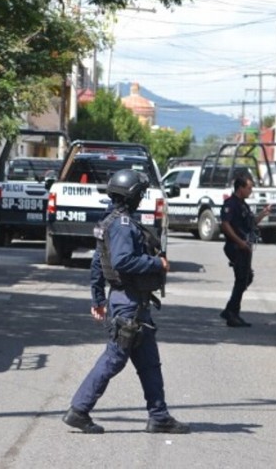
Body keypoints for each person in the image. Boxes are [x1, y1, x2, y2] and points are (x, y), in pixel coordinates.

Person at [62, 168, 190, 435]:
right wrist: (158, 262)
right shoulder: (121, 226)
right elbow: (121, 261)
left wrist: (97, 298)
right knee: (114, 358)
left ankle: (159, 416)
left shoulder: (111, 222)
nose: (142, 197)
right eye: (141, 193)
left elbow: (98, 264)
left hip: (131, 303)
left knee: (148, 362)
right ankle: (79, 410)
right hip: (128, 303)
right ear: (132, 196)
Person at [219, 173, 271, 328]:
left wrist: (263, 214)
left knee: (246, 278)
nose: (251, 191)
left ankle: (230, 310)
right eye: (249, 188)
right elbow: (225, 225)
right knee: (242, 279)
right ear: (240, 188)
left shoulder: (243, 205)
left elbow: (251, 223)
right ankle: (232, 314)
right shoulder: (231, 204)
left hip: (245, 247)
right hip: (236, 246)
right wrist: (239, 242)